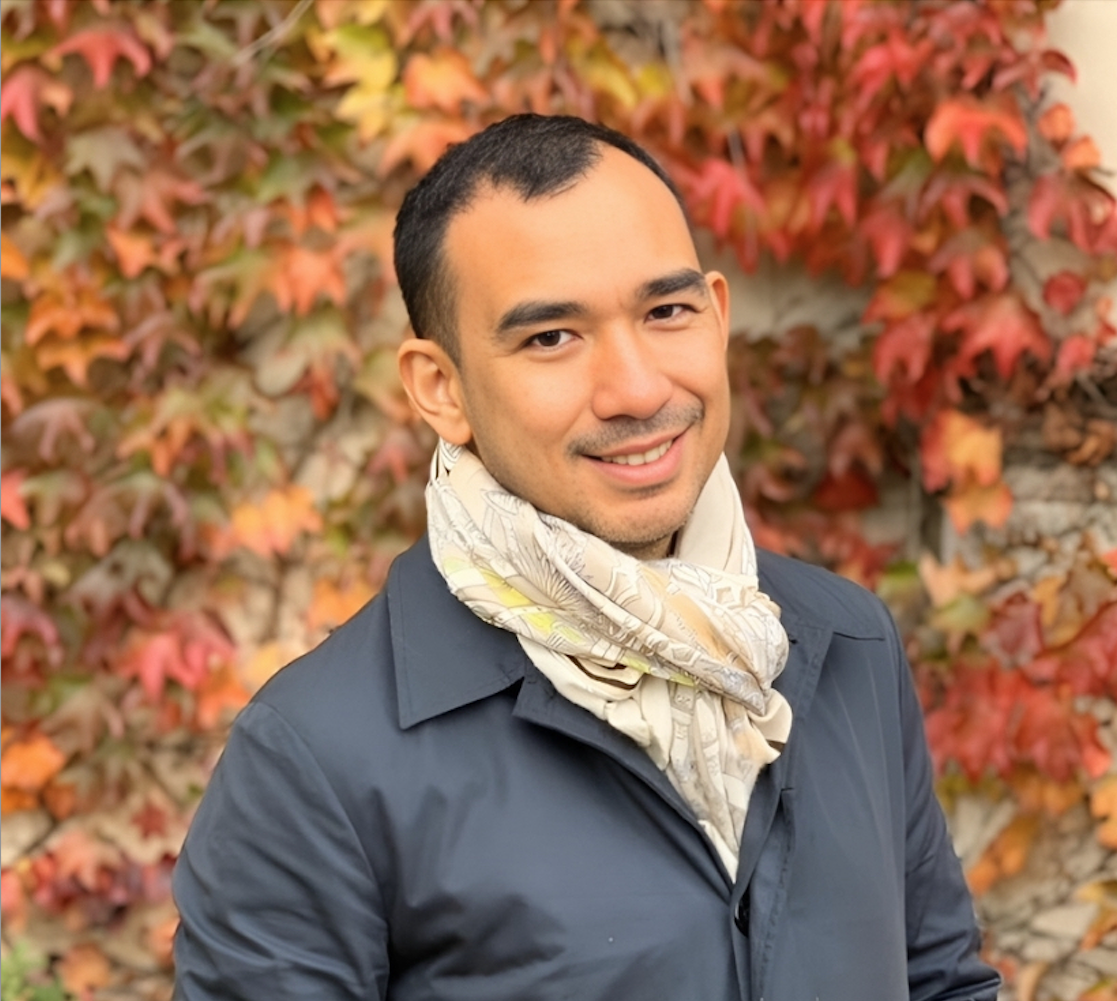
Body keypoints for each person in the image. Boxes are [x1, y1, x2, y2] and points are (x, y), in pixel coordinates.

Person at [172, 114, 1000, 1001]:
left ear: (718, 317)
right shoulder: (316, 757)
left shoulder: (847, 645)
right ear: (440, 388)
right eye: (551, 338)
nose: (638, 388)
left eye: (666, 311)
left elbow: (941, 982)